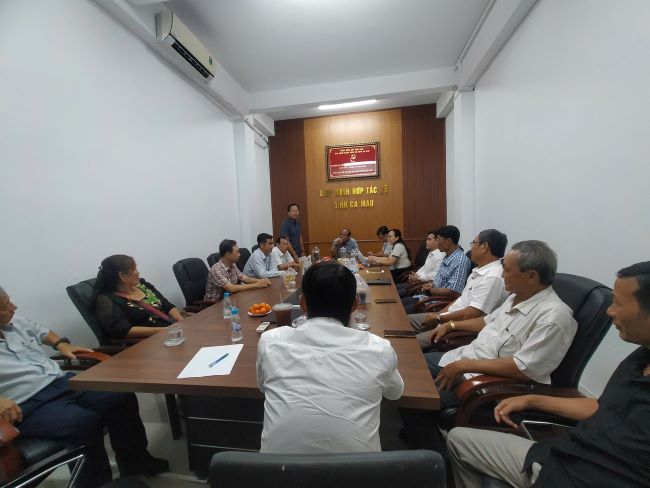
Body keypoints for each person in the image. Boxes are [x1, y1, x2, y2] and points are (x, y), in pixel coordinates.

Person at [447, 261, 650, 488]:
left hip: (581, 477)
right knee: (458, 440)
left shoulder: (554, 315)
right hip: (559, 455)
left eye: (619, 304)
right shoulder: (640, 356)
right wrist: (533, 400)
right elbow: (604, 407)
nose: (610, 311)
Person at [0, 287, 168, 487]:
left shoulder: (13, 320)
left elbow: (41, 331)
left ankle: (135, 462)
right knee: (83, 422)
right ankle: (97, 484)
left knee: (119, 396)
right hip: (26, 404)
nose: (14, 307)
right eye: (5, 306)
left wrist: (61, 344)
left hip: (61, 382)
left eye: (9, 301)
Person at [256, 262, 404, 453]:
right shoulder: (379, 349)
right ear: (354, 304)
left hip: (275, 470)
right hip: (360, 469)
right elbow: (395, 393)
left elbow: (263, 387)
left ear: (303, 304)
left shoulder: (270, 341)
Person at [426, 240, 577, 411]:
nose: (502, 274)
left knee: (416, 397)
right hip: (465, 358)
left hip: (483, 384)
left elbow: (523, 368)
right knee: (414, 366)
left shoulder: (553, 317)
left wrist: (464, 365)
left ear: (531, 276)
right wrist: (451, 325)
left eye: (507, 270)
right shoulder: (516, 296)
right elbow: (487, 321)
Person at [409, 229, 510, 347]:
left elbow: (471, 314)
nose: (471, 248)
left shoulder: (492, 277)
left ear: (484, 247)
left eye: (473, 243)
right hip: (448, 317)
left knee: (409, 344)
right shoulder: (478, 270)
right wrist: (440, 314)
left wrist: (439, 318)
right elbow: (461, 300)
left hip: (457, 329)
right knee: (404, 321)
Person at [94, 254, 183, 340]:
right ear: (121, 276)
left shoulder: (143, 285)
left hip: (171, 331)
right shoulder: (107, 300)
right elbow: (124, 331)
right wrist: (164, 330)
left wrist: (180, 319)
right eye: (134, 269)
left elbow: (167, 305)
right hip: (149, 341)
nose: (138, 273)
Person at [402, 225, 471, 313]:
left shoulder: (460, 261)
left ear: (448, 241)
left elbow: (454, 292)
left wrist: (431, 290)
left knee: (401, 311)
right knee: (401, 303)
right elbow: (442, 280)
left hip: (439, 304)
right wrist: (432, 284)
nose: (437, 243)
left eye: (438, 239)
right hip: (431, 297)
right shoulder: (447, 256)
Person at [204, 239, 271, 301]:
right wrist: (257, 285)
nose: (239, 254)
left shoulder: (232, 265)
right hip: (214, 305)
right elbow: (231, 288)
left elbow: (245, 278)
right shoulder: (216, 270)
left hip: (230, 300)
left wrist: (261, 281)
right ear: (228, 254)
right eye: (237, 252)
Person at [398, 229, 445, 294]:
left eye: (429, 239)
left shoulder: (440, 255)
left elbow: (435, 275)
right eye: (427, 239)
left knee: (397, 292)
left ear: (437, 241)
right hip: (419, 282)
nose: (426, 242)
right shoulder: (431, 253)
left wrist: (419, 278)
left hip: (423, 285)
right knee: (395, 288)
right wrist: (416, 274)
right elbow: (424, 268)